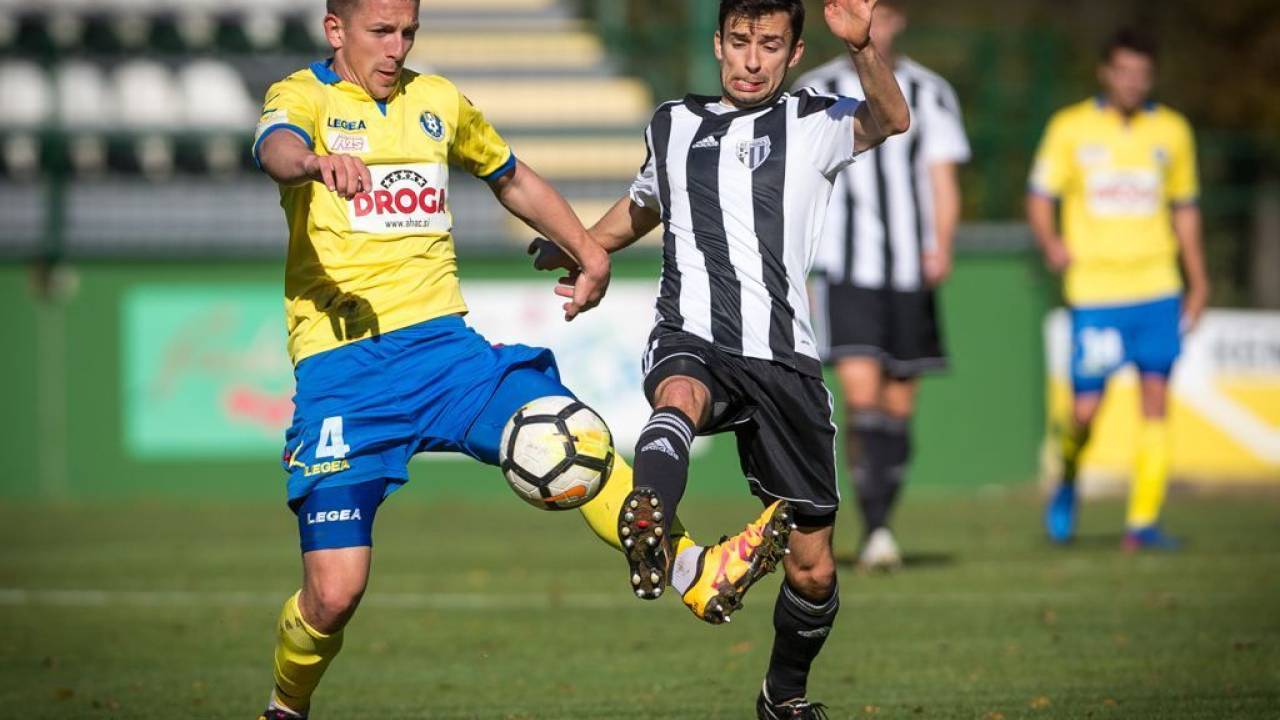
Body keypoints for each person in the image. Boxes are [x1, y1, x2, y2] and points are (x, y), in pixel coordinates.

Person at [249, 0, 774, 716]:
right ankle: (286, 704)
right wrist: (315, 162)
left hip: (446, 353)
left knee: (571, 434)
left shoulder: (437, 100)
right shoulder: (302, 97)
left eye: (408, 33)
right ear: (335, 30)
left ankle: (695, 571)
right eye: (381, 33)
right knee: (335, 594)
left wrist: (588, 249)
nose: (397, 48)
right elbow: (275, 149)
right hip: (345, 371)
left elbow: (512, 177)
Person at [533, 0, 908, 715]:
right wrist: (583, 246)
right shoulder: (672, 124)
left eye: (769, 45)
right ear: (718, 44)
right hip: (693, 331)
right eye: (739, 42)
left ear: (794, 54)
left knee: (813, 569)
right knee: (679, 393)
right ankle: (651, 517)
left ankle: (782, 697)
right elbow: (645, 204)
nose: (752, 60)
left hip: (784, 358)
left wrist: (863, 48)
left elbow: (891, 118)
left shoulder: (814, 121)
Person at [793, 0, 969, 569]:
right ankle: (874, 528)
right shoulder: (816, 89)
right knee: (861, 397)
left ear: (898, 20)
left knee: (898, 407)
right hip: (845, 269)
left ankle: (881, 522)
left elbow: (941, 177)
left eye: (885, 13)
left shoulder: (931, 91)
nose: (876, 23)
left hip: (909, 270)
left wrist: (942, 243)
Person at [1027, 28, 1209, 551]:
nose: (1132, 82)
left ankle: (1142, 523)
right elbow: (1040, 196)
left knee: (1156, 398)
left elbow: (1185, 209)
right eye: (1124, 71)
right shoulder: (1070, 127)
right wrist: (1051, 241)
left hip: (1158, 287)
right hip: (1096, 292)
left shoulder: (1172, 130)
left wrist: (1198, 280)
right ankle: (1067, 477)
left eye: (1142, 74)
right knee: (1085, 411)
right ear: (1106, 73)